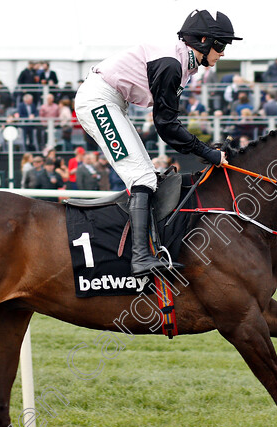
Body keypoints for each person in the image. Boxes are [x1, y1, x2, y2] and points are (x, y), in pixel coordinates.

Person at [75, 9, 237, 275]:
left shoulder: (182, 63)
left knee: (148, 176)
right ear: (204, 41)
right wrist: (208, 153)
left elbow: (168, 123)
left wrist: (206, 151)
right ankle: (139, 257)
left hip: (112, 101)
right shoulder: (172, 64)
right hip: (99, 101)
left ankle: (147, 249)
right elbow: (167, 127)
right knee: (142, 179)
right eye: (221, 45)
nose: (223, 53)